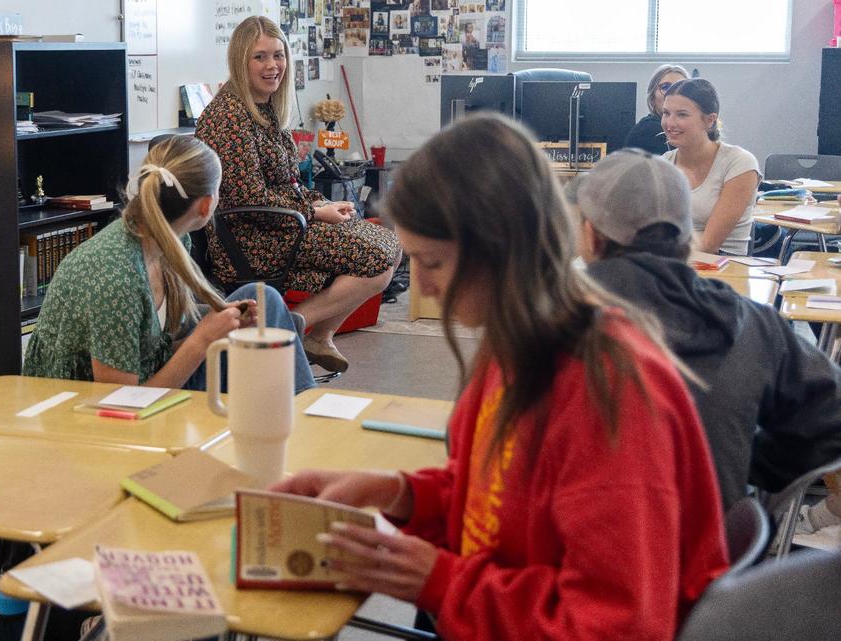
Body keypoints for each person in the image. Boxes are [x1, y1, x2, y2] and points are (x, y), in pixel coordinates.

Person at [269, 114, 728, 641]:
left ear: (500, 250)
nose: (421, 284)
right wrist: (399, 494)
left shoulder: (607, 389)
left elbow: (614, 626)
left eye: (434, 263)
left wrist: (439, 581)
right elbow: (494, 499)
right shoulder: (515, 345)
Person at [569, 148, 841, 510]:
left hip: (576, 551)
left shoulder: (545, 325)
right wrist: (750, 464)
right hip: (719, 550)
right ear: (686, 239)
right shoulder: (752, 322)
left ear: (590, 235)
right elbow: (832, 418)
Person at [22, 135, 315, 394]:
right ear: (205, 205)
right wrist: (202, 340)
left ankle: (296, 413)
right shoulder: (116, 277)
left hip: (151, 378)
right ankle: (300, 416)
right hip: (91, 415)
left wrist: (220, 326)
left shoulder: (174, 238)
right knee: (262, 321)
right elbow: (121, 406)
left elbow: (158, 341)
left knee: (266, 302)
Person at [196, 16, 401, 374]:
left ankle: (317, 334)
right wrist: (315, 211)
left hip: (284, 224)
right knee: (378, 257)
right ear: (240, 60)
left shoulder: (264, 107)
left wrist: (319, 202)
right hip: (253, 238)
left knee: (390, 245)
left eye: (278, 55)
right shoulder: (228, 116)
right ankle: (288, 328)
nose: (272, 66)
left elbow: (285, 181)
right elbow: (250, 198)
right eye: (260, 57)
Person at [661, 78, 760, 255]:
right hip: (673, 263)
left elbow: (708, 245)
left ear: (709, 120)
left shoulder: (740, 163)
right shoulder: (664, 163)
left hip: (723, 266)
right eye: (666, 113)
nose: (670, 123)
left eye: (682, 114)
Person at [623, 64, 688, 154]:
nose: (674, 93)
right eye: (666, 87)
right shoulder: (649, 130)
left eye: (682, 88)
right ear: (652, 97)